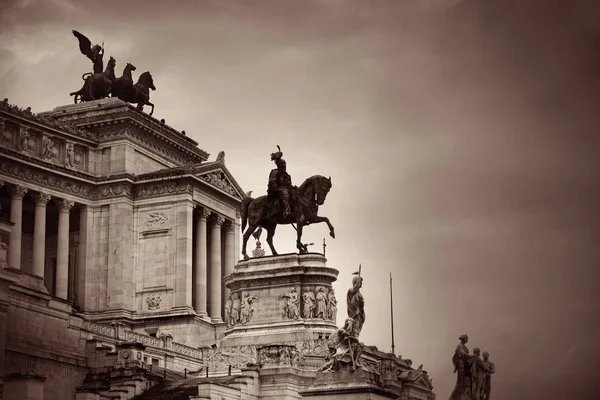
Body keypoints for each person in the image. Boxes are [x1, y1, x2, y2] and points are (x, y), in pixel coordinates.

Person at [268, 146, 293, 218]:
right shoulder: (275, 172)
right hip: (278, 190)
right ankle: (286, 211)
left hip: (287, 189)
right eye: (283, 164)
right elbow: (272, 182)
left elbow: (289, 185)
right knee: (285, 195)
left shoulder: (287, 175)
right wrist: (277, 189)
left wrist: (293, 187)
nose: (285, 165)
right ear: (280, 165)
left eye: (285, 164)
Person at [449, 334, 470, 400]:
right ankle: (453, 397)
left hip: (465, 366)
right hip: (461, 365)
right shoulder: (459, 346)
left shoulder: (465, 347)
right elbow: (462, 353)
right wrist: (470, 356)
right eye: (466, 338)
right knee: (460, 382)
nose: (467, 340)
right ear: (463, 339)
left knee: (465, 381)